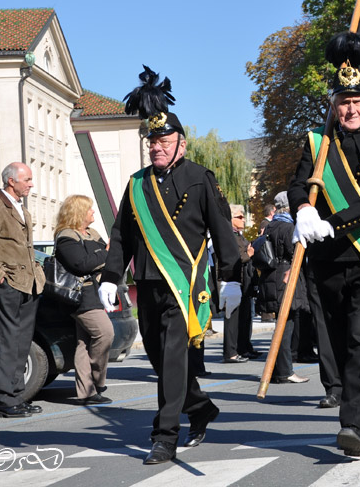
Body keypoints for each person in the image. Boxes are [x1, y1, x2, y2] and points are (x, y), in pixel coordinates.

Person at [100, 66, 237, 465]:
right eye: (152, 141)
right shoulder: (136, 184)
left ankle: (165, 436)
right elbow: (122, 234)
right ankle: (200, 407)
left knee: (174, 359)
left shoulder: (199, 178)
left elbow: (221, 229)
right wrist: (112, 274)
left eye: (163, 140)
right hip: (148, 283)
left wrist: (231, 277)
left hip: (185, 286)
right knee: (161, 361)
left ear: (181, 143)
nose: (156, 147)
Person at [288, 32, 360, 457]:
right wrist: (302, 210)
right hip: (325, 261)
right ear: (333, 104)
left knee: (359, 339)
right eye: (343, 102)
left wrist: (332, 222)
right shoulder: (318, 142)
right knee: (340, 345)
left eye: (356, 102)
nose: (350, 109)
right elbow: (298, 184)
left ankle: (351, 425)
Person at [0, 162, 43, 418]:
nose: (31, 184)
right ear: (11, 181)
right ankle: (4, 399)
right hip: (9, 285)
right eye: (27, 179)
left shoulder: (22, 210)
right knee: (5, 341)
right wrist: (0, 279)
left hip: (29, 284)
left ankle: (17, 395)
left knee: (22, 342)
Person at [54, 195, 114, 405]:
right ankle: (97, 381)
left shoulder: (92, 233)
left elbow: (102, 258)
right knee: (105, 333)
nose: (93, 212)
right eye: (89, 209)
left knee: (83, 343)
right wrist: (104, 253)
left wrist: (102, 255)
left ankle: (86, 392)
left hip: (97, 291)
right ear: (79, 212)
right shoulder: (66, 237)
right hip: (81, 295)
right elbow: (81, 264)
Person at [262, 193, 310, 385]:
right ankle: (285, 371)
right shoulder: (289, 227)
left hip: (272, 277)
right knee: (286, 325)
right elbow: (295, 254)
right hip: (285, 277)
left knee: (280, 327)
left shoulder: (270, 225)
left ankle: (275, 370)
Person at [221, 204, 253, 364]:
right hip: (232, 282)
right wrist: (248, 254)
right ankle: (230, 352)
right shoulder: (229, 236)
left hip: (243, 282)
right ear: (231, 219)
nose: (243, 219)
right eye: (239, 217)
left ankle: (242, 348)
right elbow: (234, 259)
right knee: (231, 319)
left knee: (244, 317)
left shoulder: (239, 235)